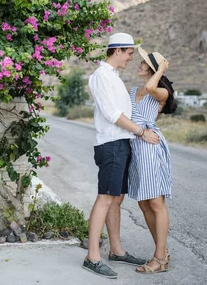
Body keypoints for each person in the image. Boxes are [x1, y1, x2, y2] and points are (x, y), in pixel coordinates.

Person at [83, 33, 160, 280]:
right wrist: (141, 132)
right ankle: (92, 256)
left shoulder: (113, 76)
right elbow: (112, 114)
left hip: (121, 143)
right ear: (117, 50)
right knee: (105, 198)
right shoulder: (101, 76)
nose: (130, 58)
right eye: (129, 53)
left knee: (116, 199)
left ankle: (116, 251)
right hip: (111, 144)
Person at [128, 47, 177, 274]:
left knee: (156, 203)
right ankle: (162, 253)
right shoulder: (132, 91)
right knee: (143, 202)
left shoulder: (159, 92)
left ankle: (159, 256)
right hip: (135, 147)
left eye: (144, 63)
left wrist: (162, 70)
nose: (139, 65)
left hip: (150, 147)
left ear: (154, 69)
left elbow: (150, 86)